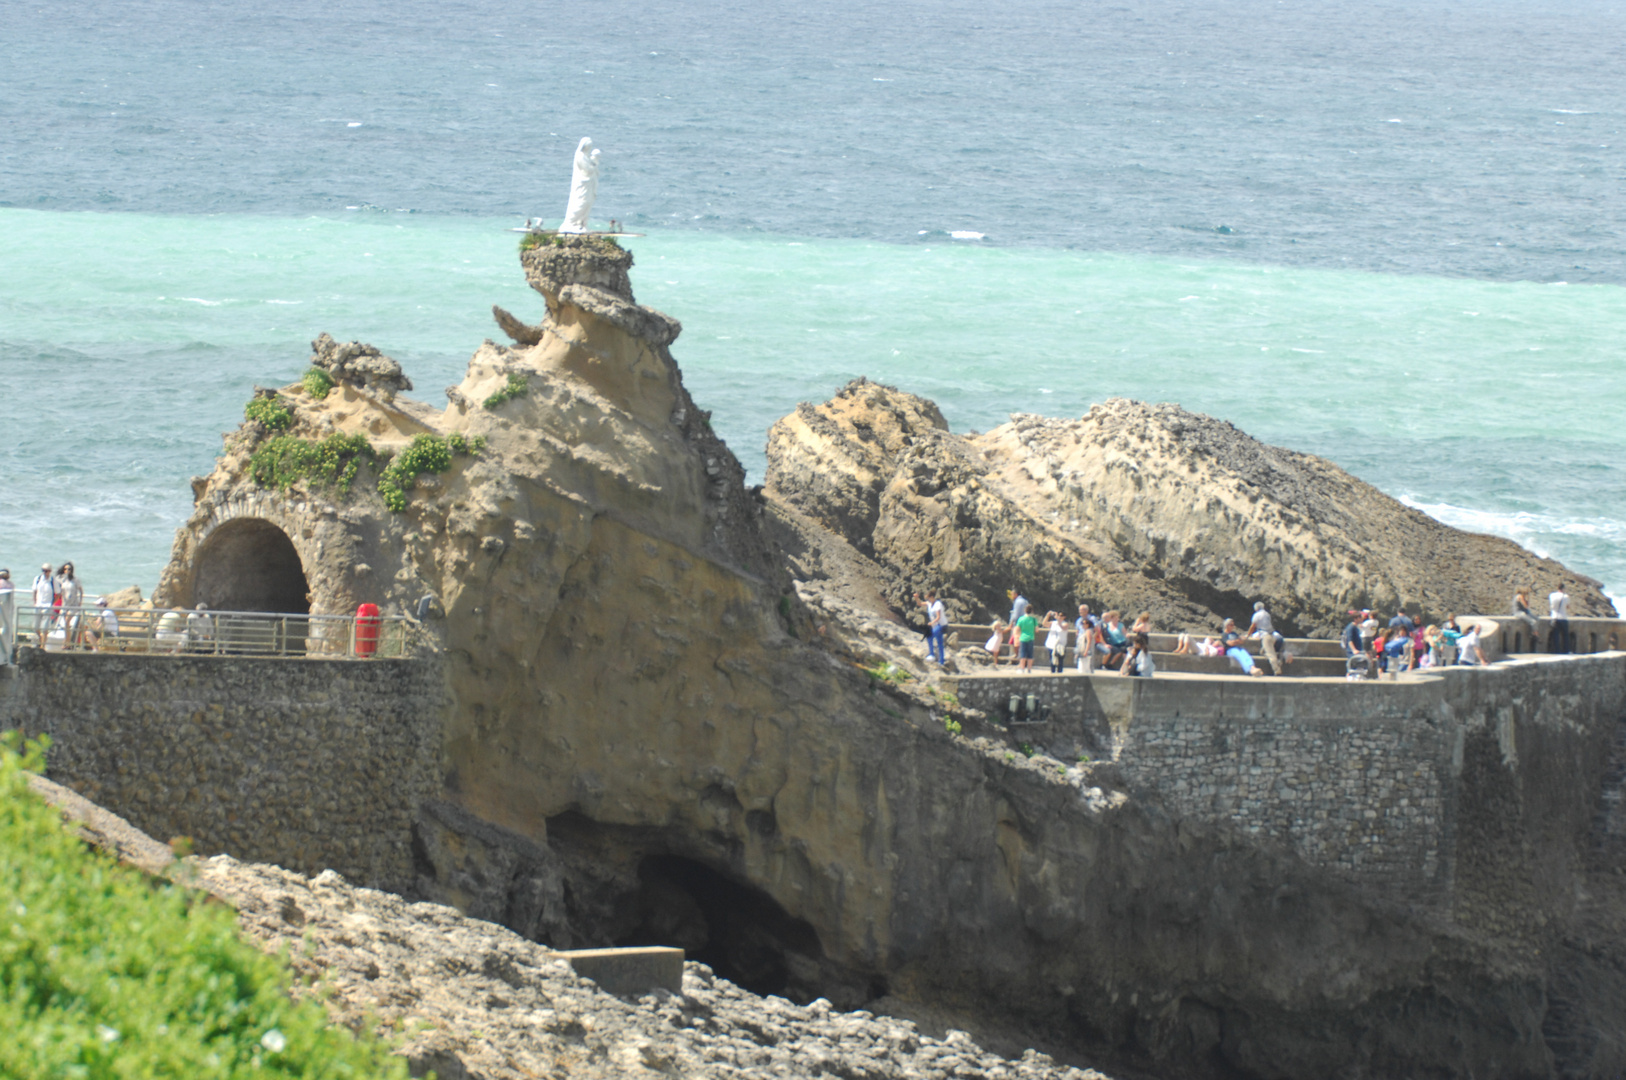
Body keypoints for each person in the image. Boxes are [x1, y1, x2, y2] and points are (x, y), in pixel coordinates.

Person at [56, 562, 84, 649]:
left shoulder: (75, 580)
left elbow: (81, 591)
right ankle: (67, 642)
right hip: (65, 604)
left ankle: (66, 643)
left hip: (73, 605)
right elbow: (56, 584)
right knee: (66, 624)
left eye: (69, 569)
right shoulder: (62, 579)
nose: (67, 571)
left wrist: (80, 602)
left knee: (67, 622)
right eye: (65, 569)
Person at [1249, 601, 1283, 675]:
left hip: (1265, 636)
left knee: (1271, 654)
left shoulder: (1257, 615)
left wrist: (1248, 635)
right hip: (1272, 635)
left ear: (1256, 608)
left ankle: (1277, 669)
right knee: (1265, 650)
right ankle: (1263, 651)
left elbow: (1253, 626)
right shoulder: (1267, 614)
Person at [915, 591, 948, 665]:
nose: (928, 600)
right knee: (939, 642)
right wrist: (916, 598)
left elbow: (938, 617)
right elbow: (920, 604)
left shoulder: (938, 604)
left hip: (941, 625)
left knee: (929, 637)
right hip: (936, 625)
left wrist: (931, 623)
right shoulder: (929, 603)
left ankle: (932, 655)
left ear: (932, 597)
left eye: (928, 598)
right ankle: (941, 661)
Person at [31, 564, 56, 646]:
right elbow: (34, 591)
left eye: (47, 571)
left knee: (45, 628)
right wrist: (35, 602)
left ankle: (43, 646)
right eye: (43, 570)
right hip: (38, 605)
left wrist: (52, 603)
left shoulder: (52, 580)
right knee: (35, 627)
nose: (45, 572)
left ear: (50, 571)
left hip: (48, 606)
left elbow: (58, 593)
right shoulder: (37, 579)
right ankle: (41, 639)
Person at [1014, 605, 1040, 673]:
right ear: (1032, 611)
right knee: (1030, 655)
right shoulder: (1034, 620)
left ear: (1024, 610)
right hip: (1031, 638)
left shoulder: (1021, 619)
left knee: (1022, 654)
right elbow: (1037, 630)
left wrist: (1018, 636)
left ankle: (1022, 668)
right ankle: (1029, 669)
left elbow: (1017, 629)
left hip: (1022, 638)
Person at [1074, 605, 1098, 672]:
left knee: (1089, 659)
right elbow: (1077, 630)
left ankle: (1090, 673)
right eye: (1079, 610)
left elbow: (1097, 630)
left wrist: (1091, 638)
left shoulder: (1092, 619)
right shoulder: (1079, 620)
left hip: (1088, 639)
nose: (1080, 611)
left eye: (1082, 610)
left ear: (1087, 610)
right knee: (1080, 659)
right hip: (1080, 640)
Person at [1548, 584, 1571, 654]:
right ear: (1563, 588)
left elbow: (1551, 605)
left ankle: (1556, 651)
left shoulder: (1552, 595)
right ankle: (1566, 651)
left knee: (1556, 635)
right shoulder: (1566, 596)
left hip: (1554, 617)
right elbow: (1568, 607)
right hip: (1563, 618)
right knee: (1565, 636)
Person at [0, 568, 14, 664]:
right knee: (6, 628)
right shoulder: (11, 584)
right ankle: (6, 654)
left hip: (3, 610)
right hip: (7, 610)